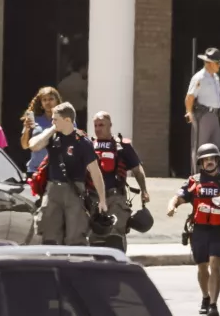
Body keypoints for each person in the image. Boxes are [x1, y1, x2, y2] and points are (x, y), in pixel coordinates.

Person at [167, 143, 220, 316]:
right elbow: (178, 197)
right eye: (205, 159)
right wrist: (172, 206)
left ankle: (213, 305)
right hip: (199, 230)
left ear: (218, 160)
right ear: (201, 163)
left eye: (212, 159)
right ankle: (205, 297)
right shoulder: (193, 181)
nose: (209, 162)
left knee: (215, 266)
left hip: (219, 230)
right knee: (202, 267)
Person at [28, 103, 107, 245]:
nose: (52, 122)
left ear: (67, 120)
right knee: (50, 234)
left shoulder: (82, 141)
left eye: (55, 119)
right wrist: (52, 129)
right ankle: (53, 263)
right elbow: (33, 145)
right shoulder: (52, 137)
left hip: (75, 191)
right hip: (53, 190)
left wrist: (102, 199)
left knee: (75, 235)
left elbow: (95, 172)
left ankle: (76, 264)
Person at [87, 111, 149, 250]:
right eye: (95, 125)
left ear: (110, 125)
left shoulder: (121, 146)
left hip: (116, 198)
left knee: (115, 236)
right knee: (95, 236)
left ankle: (117, 268)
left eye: (101, 125)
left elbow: (137, 170)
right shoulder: (89, 145)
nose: (98, 128)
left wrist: (144, 191)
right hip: (93, 199)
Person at [186, 47, 220, 172]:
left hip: (214, 114)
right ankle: (197, 176)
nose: (219, 65)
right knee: (200, 146)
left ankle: (214, 175)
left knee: (215, 146)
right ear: (209, 63)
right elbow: (190, 97)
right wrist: (189, 112)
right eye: (217, 63)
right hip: (202, 114)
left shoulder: (216, 78)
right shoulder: (199, 77)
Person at [20, 86, 62, 177]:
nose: (48, 102)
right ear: (41, 103)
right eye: (44, 100)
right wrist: (27, 129)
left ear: (57, 101)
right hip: (35, 170)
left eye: (51, 99)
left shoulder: (65, 120)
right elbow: (24, 146)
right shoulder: (34, 120)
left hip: (57, 170)